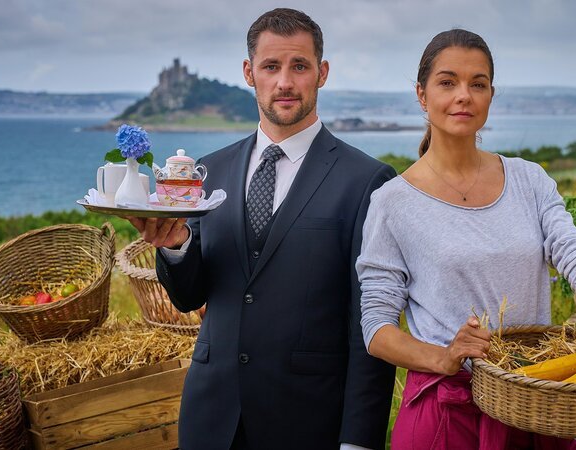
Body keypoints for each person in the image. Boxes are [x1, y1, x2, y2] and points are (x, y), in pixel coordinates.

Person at [356, 29, 576, 449]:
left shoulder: (529, 180)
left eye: (478, 84)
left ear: (491, 95)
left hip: (537, 404)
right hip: (449, 415)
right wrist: (444, 357)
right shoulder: (393, 202)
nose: (464, 96)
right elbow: (376, 327)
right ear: (422, 94)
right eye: (447, 82)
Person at [127, 8, 396, 450]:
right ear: (249, 73)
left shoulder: (367, 180)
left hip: (309, 421)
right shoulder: (208, 171)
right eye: (271, 66)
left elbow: (368, 322)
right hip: (211, 420)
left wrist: (359, 440)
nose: (284, 82)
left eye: (299, 66)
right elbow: (189, 297)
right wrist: (176, 247)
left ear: (322, 73)